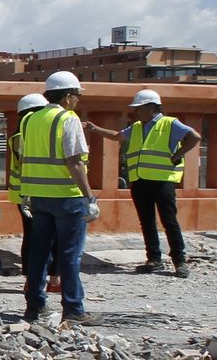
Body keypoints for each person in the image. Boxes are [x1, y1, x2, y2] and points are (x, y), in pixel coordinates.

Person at [83, 89, 200, 278]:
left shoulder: (169, 123)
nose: (135, 111)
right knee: (147, 222)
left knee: (169, 221)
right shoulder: (137, 127)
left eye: (139, 108)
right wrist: (95, 129)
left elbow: (194, 137)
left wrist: (178, 154)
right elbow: (117, 136)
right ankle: (153, 259)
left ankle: (179, 261)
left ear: (151, 108)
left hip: (162, 181)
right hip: (139, 181)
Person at [21, 71, 100, 325]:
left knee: (39, 253)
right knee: (69, 255)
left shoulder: (30, 120)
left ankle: (34, 306)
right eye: (76, 95)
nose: (77, 100)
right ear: (67, 97)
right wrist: (90, 197)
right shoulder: (68, 119)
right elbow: (74, 161)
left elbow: (25, 157)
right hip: (68, 197)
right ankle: (74, 309)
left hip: (39, 197)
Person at [9, 92, 59, 294]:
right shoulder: (23, 137)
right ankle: (37, 279)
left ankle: (45, 279)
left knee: (38, 236)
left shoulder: (21, 136)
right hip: (33, 193)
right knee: (40, 236)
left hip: (29, 192)